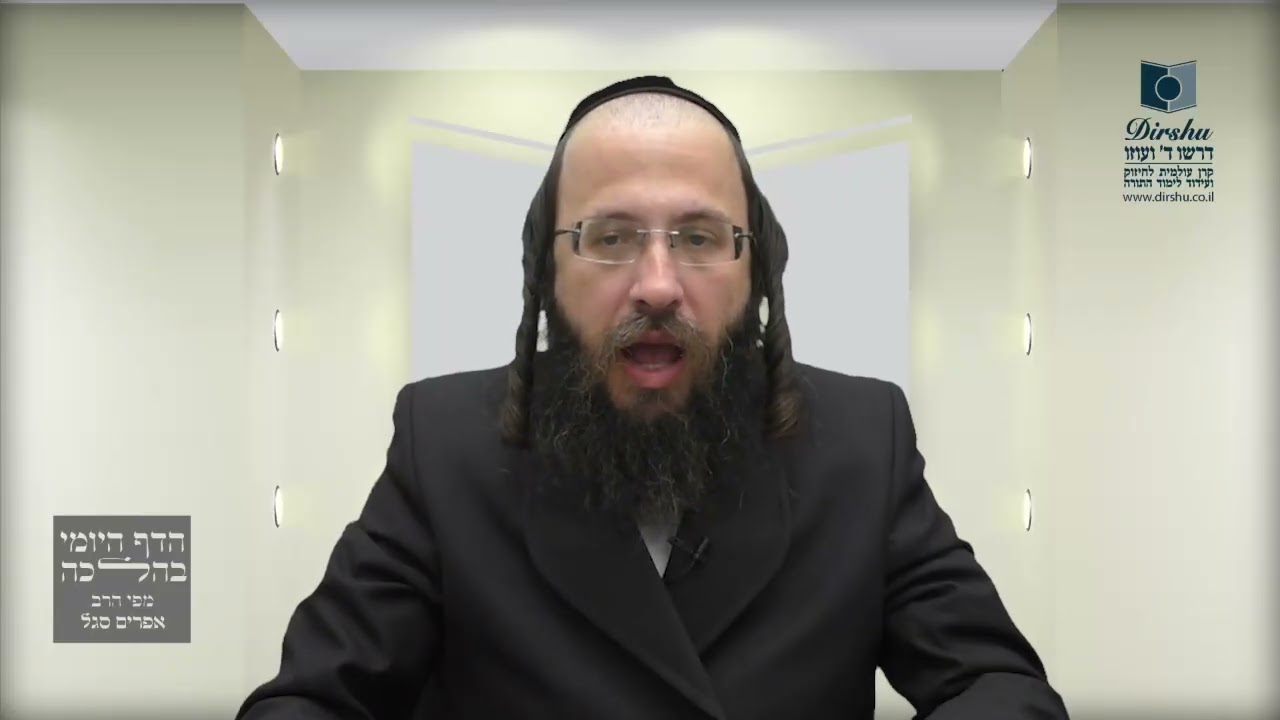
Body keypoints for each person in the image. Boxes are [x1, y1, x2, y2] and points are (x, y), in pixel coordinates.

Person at [237, 76, 1069, 720]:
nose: (659, 285)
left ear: (757, 271)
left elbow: (994, 684)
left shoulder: (863, 439)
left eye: (700, 237)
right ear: (546, 273)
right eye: (611, 237)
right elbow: (313, 700)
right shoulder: (445, 442)